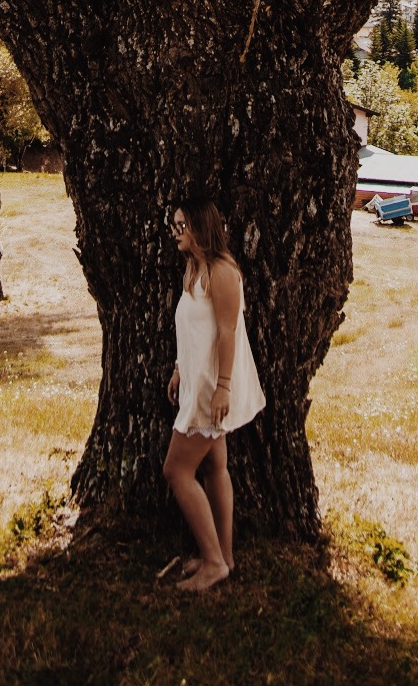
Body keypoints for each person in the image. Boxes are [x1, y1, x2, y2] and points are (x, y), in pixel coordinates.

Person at [163, 195, 265, 593]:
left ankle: (212, 563)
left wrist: (222, 388)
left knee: (176, 470)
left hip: (210, 390)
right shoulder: (194, 270)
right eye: (173, 225)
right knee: (213, 468)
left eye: (181, 225)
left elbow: (227, 333)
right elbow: (193, 329)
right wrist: (177, 368)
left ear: (200, 228)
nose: (175, 232)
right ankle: (225, 554)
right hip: (195, 382)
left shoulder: (222, 272)